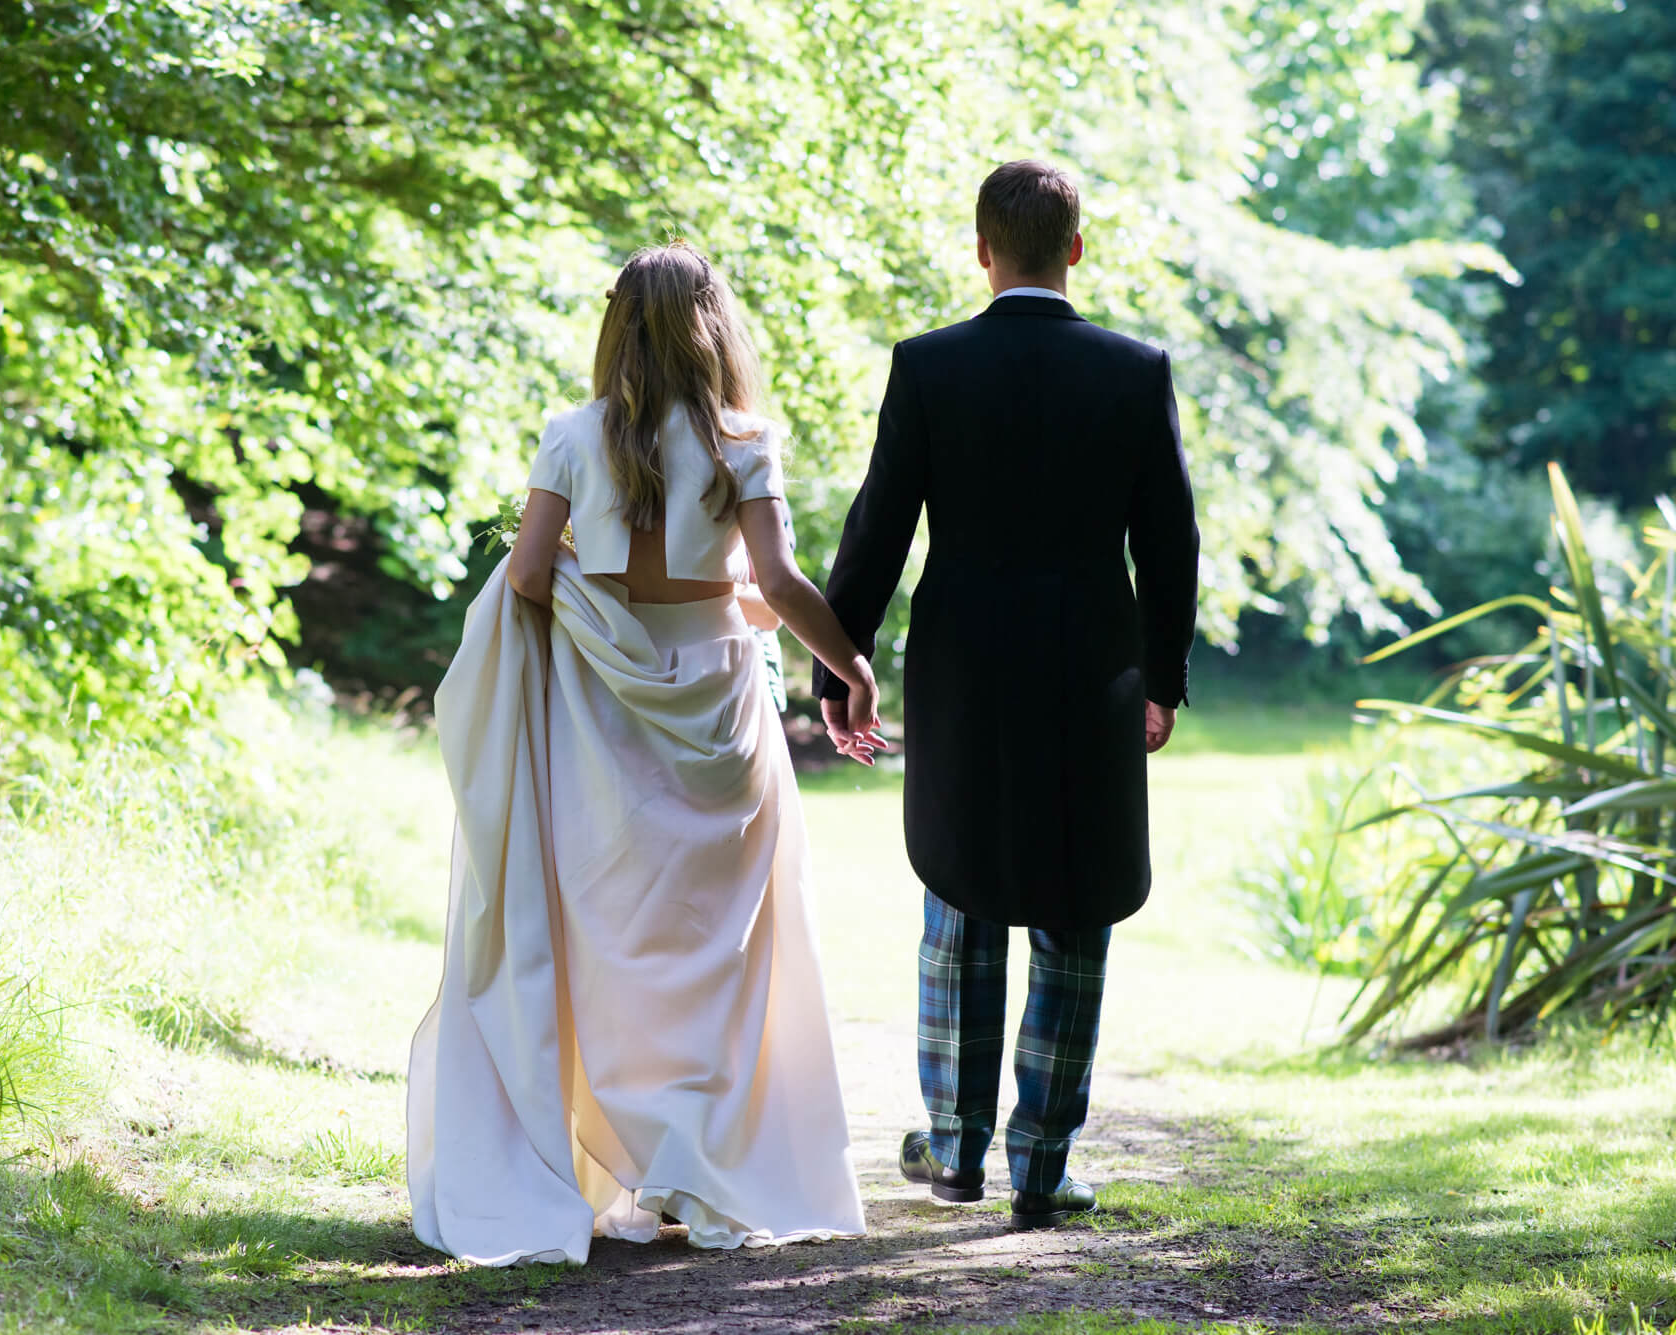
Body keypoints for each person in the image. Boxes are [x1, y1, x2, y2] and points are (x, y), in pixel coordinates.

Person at [408, 241, 881, 1266]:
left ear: (616, 324)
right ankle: (698, 1169)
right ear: (713, 327)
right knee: (718, 949)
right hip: (718, 712)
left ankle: (621, 1165)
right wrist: (848, 663)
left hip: (605, 726)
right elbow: (775, 586)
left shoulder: (573, 436)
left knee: (609, 939)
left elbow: (530, 576)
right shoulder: (740, 441)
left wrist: (604, 601)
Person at [813, 160, 1201, 1229]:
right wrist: (1162, 680)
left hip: (961, 675)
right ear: (1074, 248)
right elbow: (1168, 545)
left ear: (980, 250)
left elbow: (875, 532)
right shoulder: (1135, 370)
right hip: (1091, 673)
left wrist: (837, 668)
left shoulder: (928, 367)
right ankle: (1039, 1164)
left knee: (961, 896)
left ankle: (952, 1148)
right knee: (1074, 906)